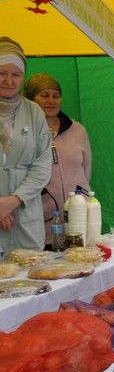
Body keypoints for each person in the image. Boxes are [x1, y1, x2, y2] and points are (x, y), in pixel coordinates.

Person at [24, 74, 92, 247]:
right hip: (42, 224)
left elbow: (86, 170)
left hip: (78, 222)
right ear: (30, 99)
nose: (51, 101)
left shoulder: (78, 130)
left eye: (56, 96)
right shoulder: (23, 133)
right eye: (44, 95)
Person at [0, 37, 52, 252]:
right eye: (1, 73)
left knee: (29, 276)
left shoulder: (34, 112)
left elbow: (42, 163)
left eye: (16, 74)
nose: (8, 81)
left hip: (25, 213)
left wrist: (12, 201)